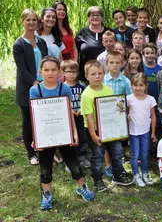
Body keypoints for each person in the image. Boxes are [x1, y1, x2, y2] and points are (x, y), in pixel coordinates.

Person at [30, 56, 94, 210]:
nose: (50, 73)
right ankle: (47, 194)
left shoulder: (64, 88)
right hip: (45, 134)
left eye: (53, 70)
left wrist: (74, 133)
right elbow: (34, 116)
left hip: (63, 132)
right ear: (41, 72)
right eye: (46, 70)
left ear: (59, 72)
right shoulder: (35, 90)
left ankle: (81, 186)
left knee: (73, 162)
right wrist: (35, 138)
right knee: (45, 166)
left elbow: (69, 112)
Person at [81, 60, 133, 192]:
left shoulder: (108, 89)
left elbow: (114, 109)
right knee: (97, 156)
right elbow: (89, 117)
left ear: (104, 74)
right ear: (87, 76)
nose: (97, 76)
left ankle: (118, 174)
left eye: (100, 73)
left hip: (111, 128)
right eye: (93, 74)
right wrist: (93, 134)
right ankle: (98, 181)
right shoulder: (86, 95)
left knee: (117, 152)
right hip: (95, 130)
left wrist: (120, 127)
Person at [13, 9, 48, 165]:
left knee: (43, 119)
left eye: (34, 20)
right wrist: (36, 84)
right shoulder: (18, 44)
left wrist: (47, 82)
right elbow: (22, 70)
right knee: (28, 121)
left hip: (44, 86)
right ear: (23, 22)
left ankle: (45, 147)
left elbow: (47, 63)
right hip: (27, 88)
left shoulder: (41, 42)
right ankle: (31, 153)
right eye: (28, 20)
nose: (31, 23)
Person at [102, 51, 133, 177]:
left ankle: (118, 164)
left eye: (117, 63)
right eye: (111, 63)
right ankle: (108, 165)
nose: (114, 65)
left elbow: (129, 99)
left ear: (122, 64)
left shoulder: (125, 81)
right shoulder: (103, 80)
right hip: (106, 116)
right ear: (107, 64)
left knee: (118, 142)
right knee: (107, 141)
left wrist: (128, 113)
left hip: (120, 116)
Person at [127, 73, 157, 187]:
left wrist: (153, 132)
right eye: (135, 85)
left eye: (141, 85)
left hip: (145, 131)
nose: (138, 88)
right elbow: (125, 112)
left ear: (146, 86)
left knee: (144, 154)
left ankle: (145, 173)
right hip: (133, 132)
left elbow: (153, 116)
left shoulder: (150, 99)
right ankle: (136, 175)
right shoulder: (129, 98)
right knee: (135, 154)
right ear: (131, 85)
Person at [61, 60, 91, 168]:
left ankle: (82, 156)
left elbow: (85, 100)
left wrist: (81, 109)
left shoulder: (82, 87)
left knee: (82, 136)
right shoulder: (62, 88)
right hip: (68, 117)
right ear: (63, 73)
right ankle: (70, 160)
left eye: (74, 72)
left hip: (80, 116)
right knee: (70, 138)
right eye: (69, 72)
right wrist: (70, 110)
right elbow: (61, 103)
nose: (71, 74)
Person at [75, 6, 111, 82]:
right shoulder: (82, 32)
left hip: (106, 75)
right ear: (88, 18)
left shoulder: (109, 32)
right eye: (92, 15)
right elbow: (75, 52)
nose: (95, 17)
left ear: (102, 18)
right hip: (86, 76)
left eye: (98, 15)